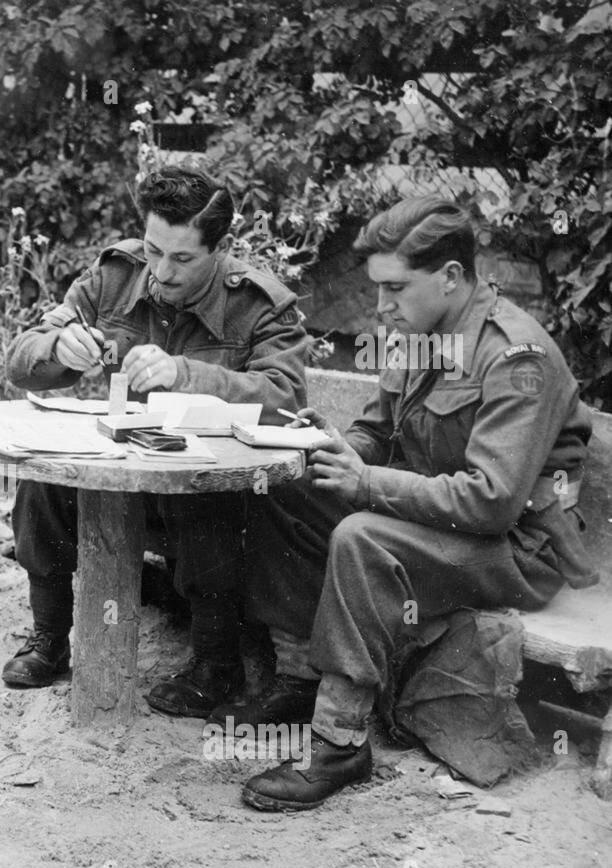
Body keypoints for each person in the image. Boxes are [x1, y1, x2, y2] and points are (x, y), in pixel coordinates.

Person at [239, 195, 599, 811]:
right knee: (286, 487)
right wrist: (329, 449)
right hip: (435, 520)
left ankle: (339, 739)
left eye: (396, 289)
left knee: (360, 536)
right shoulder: (419, 333)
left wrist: (367, 484)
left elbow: (491, 502)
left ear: (451, 277)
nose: (380, 308)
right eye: (378, 290)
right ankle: (303, 677)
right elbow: (377, 434)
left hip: (517, 550)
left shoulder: (518, 357)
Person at [3, 167, 309, 710]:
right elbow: (21, 362)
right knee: (42, 481)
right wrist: (58, 351)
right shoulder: (115, 275)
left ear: (223, 247)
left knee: (206, 491)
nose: (161, 272)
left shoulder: (261, 305)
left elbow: (285, 398)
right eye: (154, 250)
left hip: (206, 492)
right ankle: (49, 638)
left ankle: (215, 665)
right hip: (119, 477)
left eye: (183, 259)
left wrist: (186, 375)